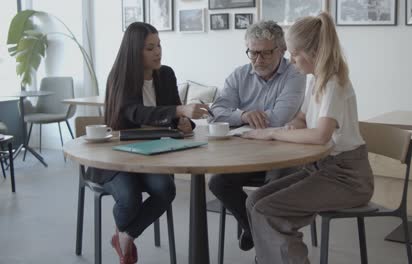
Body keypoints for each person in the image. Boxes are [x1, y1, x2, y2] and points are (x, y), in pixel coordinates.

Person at [242, 13, 374, 264]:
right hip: (321, 169)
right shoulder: (316, 81)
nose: (290, 61)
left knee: (268, 211)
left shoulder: (334, 83)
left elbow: (321, 135)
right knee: (254, 201)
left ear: (314, 52)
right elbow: (303, 119)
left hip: (348, 178)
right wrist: (292, 127)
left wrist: (273, 132)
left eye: (294, 54)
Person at [87, 22, 209, 264]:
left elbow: (176, 115)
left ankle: (123, 236)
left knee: (166, 190)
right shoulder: (119, 78)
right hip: (117, 156)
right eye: (150, 48)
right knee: (130, 198)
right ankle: (126, 236)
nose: (158, 52)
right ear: (134, 51)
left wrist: (185, 122)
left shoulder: (166, 75)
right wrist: (178, 109)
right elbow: (135, 113)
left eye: (159, 45)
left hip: (155, 152)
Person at [208, 20, 306, 251]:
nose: (257, 60)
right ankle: (253, 229)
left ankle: (265, 248)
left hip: (284, 153)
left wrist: (242, 119)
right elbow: (216, 113)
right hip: (246, 154)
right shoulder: (239, 75)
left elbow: (280, 117)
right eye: (252, 53)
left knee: (269, 193)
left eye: (265, 53)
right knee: (218, 183)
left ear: (282, 51)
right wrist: (243, 116)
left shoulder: (295, 74)